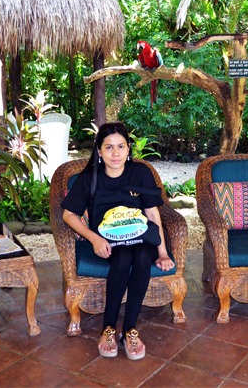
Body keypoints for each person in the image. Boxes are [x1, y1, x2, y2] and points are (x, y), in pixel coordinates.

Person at [61, 122, 175, 360]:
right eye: (109, 147)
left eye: (121, 146)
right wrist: (93, 239)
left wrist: (162, 252)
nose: (116, 153)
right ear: (99, 151)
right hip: (107, 239)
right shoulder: (89, 177)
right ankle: (109, 328)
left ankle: (130, 329)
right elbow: (68, 214)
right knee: (122, 258)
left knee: (143, 257)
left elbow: (153, 215)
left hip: (140, 236)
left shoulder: (140, 172)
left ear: (128, 148)